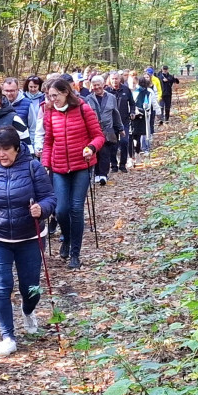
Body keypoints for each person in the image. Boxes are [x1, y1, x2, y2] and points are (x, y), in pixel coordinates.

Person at [0, 127, 56, 357]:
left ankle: (28, 310)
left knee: (31, 289)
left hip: (29, 237)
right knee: (1, 287)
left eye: (6, 149)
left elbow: (50, 198)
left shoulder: (32, 167)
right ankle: (8, 336)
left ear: (17, 148)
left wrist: (41, 209)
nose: (1, 154)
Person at [41, 78, 104, 269]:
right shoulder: (50, 112)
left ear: (66, 92)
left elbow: (98, 135)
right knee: (60, 210)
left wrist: (91, 148)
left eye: (55, 96)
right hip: (58, 167)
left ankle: (75, 253)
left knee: (76, 208)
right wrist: (45, 163)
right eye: (50, 96)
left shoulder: (84, 109)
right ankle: (66, 238)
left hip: (81, 166)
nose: (52, 100)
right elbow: (48, 141)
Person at [88, 75, 123, 187]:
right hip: (93, 129)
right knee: (96, 151)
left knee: (105, 152)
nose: (97, 87)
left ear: (103, 85)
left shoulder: (111, 97)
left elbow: (116, 113)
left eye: (99, 85)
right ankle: (97, 174)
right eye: (94, 85)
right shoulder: (88, 99)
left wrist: (120, 128)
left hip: (108, 129)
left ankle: (103, 174)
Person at [107, 71, 135, 173]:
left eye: (116, 78)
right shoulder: (107, 91)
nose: (114, 81)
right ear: (110, 79)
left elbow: (132, 103)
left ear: (120, 79)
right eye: (113, 79)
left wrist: (132, 112)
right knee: (113, 144)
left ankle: (123, 164)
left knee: (124, 142)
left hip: (124, 121)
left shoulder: (126, 90)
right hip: (111, 122)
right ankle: (113, 164)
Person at [132, 76, 162, 158]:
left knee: (142, 132)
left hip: (142, 114)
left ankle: (142, 148)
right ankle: (143, 148)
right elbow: (154, 103)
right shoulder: (140, 91)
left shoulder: (145, 91)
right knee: (144, 131)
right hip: (140, 114)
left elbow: (153, 102)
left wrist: (158, 112)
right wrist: (159, 114)